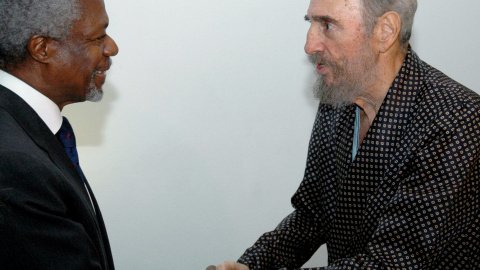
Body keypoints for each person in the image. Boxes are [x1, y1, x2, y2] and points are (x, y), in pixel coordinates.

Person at [212, 0, 480, 269]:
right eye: (311, 23)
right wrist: (252, 264)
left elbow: (392, 262)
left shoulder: (457, 121)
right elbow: (312, 215)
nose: (309, 45)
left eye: (328, 25)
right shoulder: (339, 98)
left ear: (385, 31)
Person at [0, 0, 118, 269]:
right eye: (98, 37)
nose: (112, 47)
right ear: (43, 49)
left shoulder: (27, 130)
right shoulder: (15, 165)